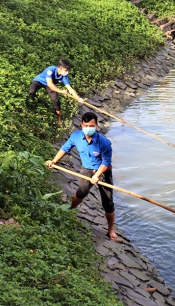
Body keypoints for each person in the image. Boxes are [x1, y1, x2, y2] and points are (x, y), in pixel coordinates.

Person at [45, 112, 117, 240]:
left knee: (108, 202)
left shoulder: (104, 143)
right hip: (87, 169)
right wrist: (54, 161)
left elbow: (106, 162)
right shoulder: (76, 136)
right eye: (86, 125)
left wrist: (98, 175)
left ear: (96, 125)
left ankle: (111, 230)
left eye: (92, 125)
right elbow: (65, 148)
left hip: (103, 171)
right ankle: (71, 210)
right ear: (81, 124)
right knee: (81, 192)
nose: (89, 128)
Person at [29, 58, 84, 125]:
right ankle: (35, 101)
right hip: (40, 81)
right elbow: (50, 84)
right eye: (66, 70)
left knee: (56, 100)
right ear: (60, 68)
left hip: (49, 85)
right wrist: (61, 91)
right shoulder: (51, 69)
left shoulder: (64, 76)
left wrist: (78, 98)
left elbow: (70, 89)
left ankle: (58, 117)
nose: (67, 72)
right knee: (31, 91)